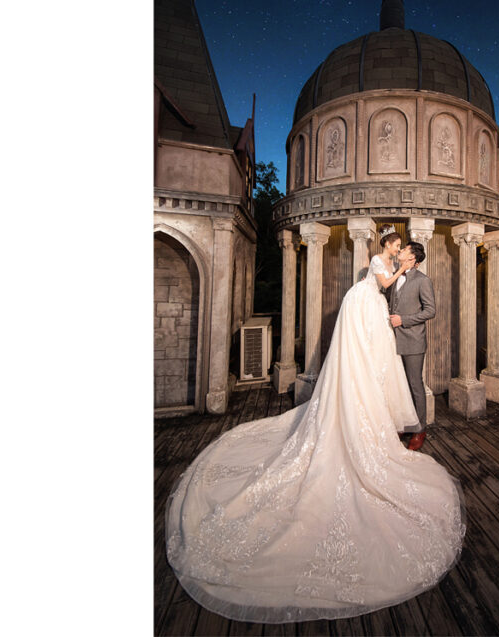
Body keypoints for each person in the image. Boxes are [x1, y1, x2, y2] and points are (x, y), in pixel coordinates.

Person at [165, 224, 465, 624]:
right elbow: (381, 284)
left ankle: (410, 427)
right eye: (398, 246)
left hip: (394, 328)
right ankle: (374, 423)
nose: (400, 251)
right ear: (391, 246)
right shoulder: (380, 264)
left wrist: (399, 304)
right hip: (372, 315)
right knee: (368, 372)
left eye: (403, 249)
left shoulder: (414, 275)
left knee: (399, 379)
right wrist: (394, 274)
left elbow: (420, 305)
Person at [387, 241, 435, 451]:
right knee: (400, 385)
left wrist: (403, 320)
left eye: (405, 249)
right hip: (392, 340)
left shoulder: (423, 281)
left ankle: (420, 429)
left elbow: (430, 310)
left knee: (415, 385)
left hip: (413, 340)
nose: (401, 250)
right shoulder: (395, 275)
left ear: (412, 258)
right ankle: (406, 423)